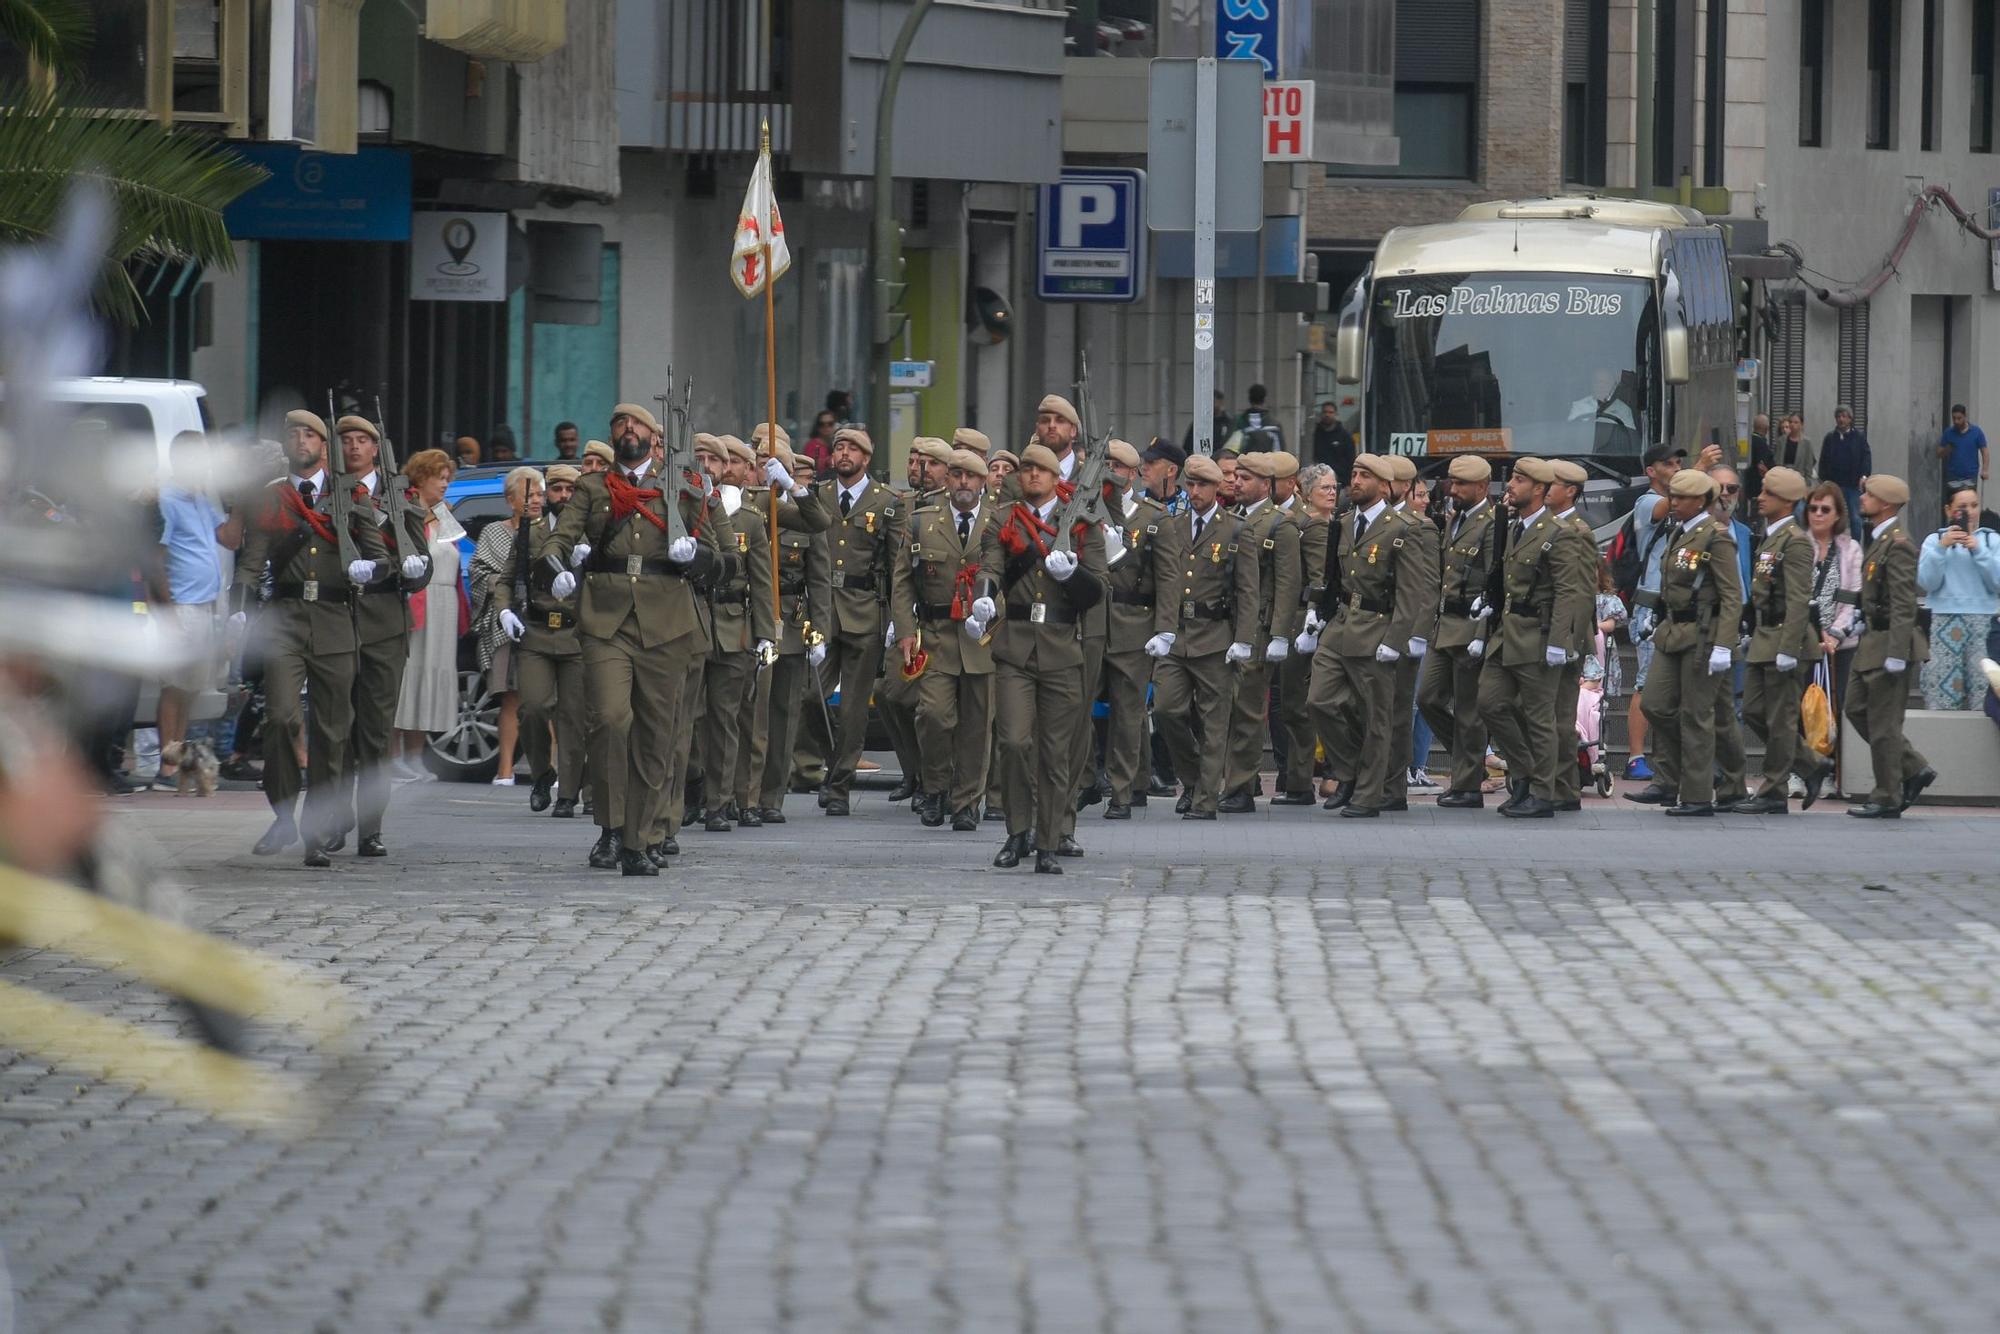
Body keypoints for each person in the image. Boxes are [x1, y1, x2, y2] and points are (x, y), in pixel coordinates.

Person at [546, 402, 721, 873]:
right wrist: (558, 567)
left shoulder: (685, 485)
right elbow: (558, 538)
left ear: (653, 436)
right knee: (609, 719)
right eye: (619, 422)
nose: (628, 429)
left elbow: (722, 559)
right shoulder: (594, 486)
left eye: (637, 423)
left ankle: (638, 841)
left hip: (667, 622)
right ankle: (609, 825)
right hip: (606, 618)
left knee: (656, 735)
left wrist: (696, 555)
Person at [233, 409, 391, 865]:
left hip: (336, 619)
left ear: (325, 446)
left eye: (309, 434)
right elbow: (252, 559)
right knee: (281, 717)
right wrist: (239, 611)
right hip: (284, 618)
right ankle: (283, 813)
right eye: (292, 434)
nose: (299, 440)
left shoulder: (351, 494)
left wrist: (369, 567)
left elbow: (378, 555)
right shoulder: (273, 497)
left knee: (331, 730)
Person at [975, 443, 1107, 872]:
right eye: (1027, 468)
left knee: (1056, 753)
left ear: (1056, 478)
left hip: (1061, 648)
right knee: (1013, 742)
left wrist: (1073, 576)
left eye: (1041, 469)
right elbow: (990, 566)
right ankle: (1017, 832)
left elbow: (1098, 589)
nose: (1032, 474)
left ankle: (1048, 842)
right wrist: (983, 599)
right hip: (1014, 645)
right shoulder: (1003, 519)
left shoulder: (1083, 523)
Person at [327, 414, 433, 857]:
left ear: (376, 448)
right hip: (335, 617)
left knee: (373, 730)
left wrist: (414, 572)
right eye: (345, 440)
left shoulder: (399, 495)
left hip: (386, 619)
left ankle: (371, 826)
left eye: (361, 440)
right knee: (335, 728)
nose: (353, 447)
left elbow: (421, 560)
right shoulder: (325, 493)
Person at [1306, 454, 1431, 818]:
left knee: (1378, 717)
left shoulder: (1401, 528)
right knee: (1319, 701)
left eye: (1364, 476)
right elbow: (1333, 578)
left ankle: (1369, 794)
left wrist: (1396, 641)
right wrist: (1317, 614)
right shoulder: (1343, 524)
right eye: (1354, 473)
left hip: (1377, 626)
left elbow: (1412, 592)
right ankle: (1348, 772)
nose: (1355, 480)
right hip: (1341, 624)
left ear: (1384, 485)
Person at [1144, 452, 1257, 821]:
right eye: (1190, 485)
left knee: (1214, 723)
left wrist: (1243, 638)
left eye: (1202, 485)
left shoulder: (1236, 529)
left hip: (1215, 636)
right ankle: (1192, 779)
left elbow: (1247, 591)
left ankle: (1206, 800)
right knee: (1166, 710)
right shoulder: (1171, 526)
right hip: (1175, 635)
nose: (1194, 491)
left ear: (1216, 488)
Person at [1476, 458, 1591, 819]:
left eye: (1519, 480)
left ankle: (1544, 792)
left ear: (1539, 489)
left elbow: (1569, 592)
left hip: (1538, 638)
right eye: (1512, 478)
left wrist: (1562, 642)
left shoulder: (1561, 532)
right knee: (1489, 702)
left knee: (1542, 719)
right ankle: (1525, 773)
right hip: (1506, 634)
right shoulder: (1515, 528)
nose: (1510, 485)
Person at [892, 448, 998, 830]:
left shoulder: (998, 520)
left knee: (976, 724)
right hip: (936, 636)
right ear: (948, 480)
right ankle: (935, 789)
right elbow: (902, 580)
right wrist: (904, 630)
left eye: (971, 476)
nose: (964, 483)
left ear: (983, 482)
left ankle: (967, 801)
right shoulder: (922, 522)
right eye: (956, 475)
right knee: (933, 716)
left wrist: (993, 610)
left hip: (983, 639)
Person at [1629, 469, 1743, 816]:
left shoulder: (1716, 537)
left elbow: (1731, 595)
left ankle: (1696, 795)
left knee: (1698, 716)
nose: (1673, 503)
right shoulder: (1679, 531)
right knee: (1656, 704)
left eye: (1681, 498)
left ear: (1701, 502)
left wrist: (1724, 644)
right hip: (1671, 630)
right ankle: (1689, 775)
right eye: (1672, 496)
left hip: (1704, 636)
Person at [806, 425, 905, 817]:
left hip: (865, 610)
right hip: (824, 609)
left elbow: (898, 565)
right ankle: (835, 762)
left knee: (852, 709)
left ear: (866, 458)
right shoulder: (819, 495)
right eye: (839, 447)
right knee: (809, 696)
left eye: (853, 449)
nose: (843, 453)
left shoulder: (887, 502)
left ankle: (840, 785)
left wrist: (899, 618)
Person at [1732, 466, 1832, 814]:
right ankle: (1811, 763)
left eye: (1768, 493)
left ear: (1788, 501)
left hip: (1785, 639)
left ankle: (1774, 790)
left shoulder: (1796, 541)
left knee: (1781, 718)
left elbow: (1798, 600)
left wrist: (1790, 648)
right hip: (1764, 637)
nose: (1759, 498)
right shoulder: (1772, 536)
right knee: (1756, 710)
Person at [492, 461, 588, 817]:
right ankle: (542, 773)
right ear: (547, 494)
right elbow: (505, 580)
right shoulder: (531, 533)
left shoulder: (592, 533)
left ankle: (569, 792)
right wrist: (505, 612)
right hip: (536, 631)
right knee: (532, 708)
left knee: (574, 717)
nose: (563, 496)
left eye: (570, 490)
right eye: (557, 489)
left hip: (577, 634)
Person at [695, 437, 777, 831]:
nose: (708, 465)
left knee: (725, 719)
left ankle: (719, 801)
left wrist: (766, 634)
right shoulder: (682, 507)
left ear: (727, 466)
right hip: (690, 619)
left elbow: (762, 582)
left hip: (732, 624)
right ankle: (687, 795)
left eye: (714, 459)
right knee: (687, 718)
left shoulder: (748, 518)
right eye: (700, 458)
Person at [1098, 439, 1183, 819]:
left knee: (1127, 711)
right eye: (1106, 465)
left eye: (1118, 466)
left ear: (1132, 474)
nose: (1110, 472)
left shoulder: (1153, 518)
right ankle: (1088, 780)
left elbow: (1168, 578)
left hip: (1134, 624)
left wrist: (1165, 628)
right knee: (1075, 705)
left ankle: (1122, 791)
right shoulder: (1085, 509)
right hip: (1091, 620)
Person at [1846, 474, 1936, 816]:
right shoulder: (1880, 538)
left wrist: (1898, 653)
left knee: (1884, 725)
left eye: (1868, 494)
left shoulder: (1897, 544)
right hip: (1873, 639)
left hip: (1889, 643)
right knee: (1855, 709)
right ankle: (1913, 766)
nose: (1862, 498)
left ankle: (1887, 795)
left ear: (1885, 504)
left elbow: (1903, 603)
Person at [1217, 449, 1302, 812]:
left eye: (1245, 478)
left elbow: (1288, 583)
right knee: (1227, 707)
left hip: (1261, 629)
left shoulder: (1279, 524)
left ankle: (1239, 787)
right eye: (1235, 477)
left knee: (1248, 709)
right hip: (1226, 625)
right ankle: (1241, 780)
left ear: (1265, 484)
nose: (1236, 483)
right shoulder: (1229, 519)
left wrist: (1281, 634)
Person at [153, 430, 234, 792]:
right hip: (181, 604)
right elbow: (158, 556)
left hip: (204, 605)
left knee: (189, 688)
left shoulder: (202, 498)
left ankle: (181, 759)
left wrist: (244, 502)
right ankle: (166, 767)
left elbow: (230, 538)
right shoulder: (168, 499)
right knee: (173, 685)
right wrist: (167, 607)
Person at [1416, 455, 1499, 808]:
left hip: (1469, 625)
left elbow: (1493, 581)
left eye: (1462, 484)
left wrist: (1483, 630)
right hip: (1444, 624)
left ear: (1482, 487)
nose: (1453, 489)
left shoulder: (1491, 523)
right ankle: (1473, 763)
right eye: (1452, 482)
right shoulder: (1455, 520)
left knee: (1469, 710)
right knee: (1427, 698)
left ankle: (1467, 785)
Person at [1372, 454, 1438, 811]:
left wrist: (1417, 634)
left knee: (1398, 713)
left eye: (1389, 481)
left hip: (1403, 631)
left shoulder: (1418, 526)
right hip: (1370, 628)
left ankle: (1393, 785)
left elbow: (1427, 586)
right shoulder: (1372, 522)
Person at [470, 467, 543, 794]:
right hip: (504, 624)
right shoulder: (492, 533)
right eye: (530, 495)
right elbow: (478, 571)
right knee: (511, 699)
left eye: (540, 494)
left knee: (546, 700)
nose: (536, 500)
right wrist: (504, 584)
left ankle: (550, 770)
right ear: (511, 500)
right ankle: (504, 769)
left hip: (542, 622)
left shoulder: (552, 531)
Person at [392, 449, 461, 778]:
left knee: (430, 677)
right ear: (421, 478)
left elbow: (454, 555)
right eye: (440, 478)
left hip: (444, 604)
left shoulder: (444, 514)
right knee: (408, 676)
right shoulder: (405, 511)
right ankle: (392, 756)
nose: (445, 484)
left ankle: (415, 756)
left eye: (448, 478)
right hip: (417, 601)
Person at [1276, 462, 1338, 804]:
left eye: (1333, 487)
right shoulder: (1310, 524)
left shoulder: (1317, 526)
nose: (1331, 493)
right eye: (1324, 488)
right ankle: (1304, 779)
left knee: (1301, 705)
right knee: (1295, 704)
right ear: (1306, 491)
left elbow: (1319, 580)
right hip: (1304, 619)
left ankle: (1303, 782)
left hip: (1311, 621)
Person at [1621, 444, 1684, 780]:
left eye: (1679, 463)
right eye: (1667, 464)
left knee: (1669, 688)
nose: (1675, 467)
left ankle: (1668, 759)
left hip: (1676, 604)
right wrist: (1697, 470)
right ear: (1650, 471)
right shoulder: (1645, 502)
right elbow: (1666, 505)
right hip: (1650, 605)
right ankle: (1634, 757)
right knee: (1645, 682)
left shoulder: (1687, 507)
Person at [1545, 459, 1601, 811]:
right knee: (1549, 714)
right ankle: (1559, 784)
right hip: (1549, 630)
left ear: (1571, 492)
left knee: (1561, 715)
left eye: (1554, 484)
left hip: (1565, 634)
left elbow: (1582, 591)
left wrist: (1568, 639)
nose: (1546, 488)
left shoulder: (1577, 530)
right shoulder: (1549, 526)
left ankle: (1565, 788)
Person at [1917, 485, 2000, 708]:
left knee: (1983, 689)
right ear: (1948, 510)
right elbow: (1926, 582)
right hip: (1942, 620)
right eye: (1962, 507)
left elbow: (1998, 582)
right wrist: (1942, 548)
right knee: (1941, 689)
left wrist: (1978, 550)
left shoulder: (1992, 541)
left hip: (1984, 621)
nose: (1970, 512)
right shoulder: (1934, 540)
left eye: (1974, 505)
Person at [1804, 482, 1864, 709]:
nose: (1818, 514)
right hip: (1803, 641)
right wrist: (1813, 634)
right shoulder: (1798, 543)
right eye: (1813, 508)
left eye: (1825, 509)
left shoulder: (1850, 549)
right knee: (1804, 710)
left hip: (1840, 644)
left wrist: (1833, 637)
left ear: (1838, 513)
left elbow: (1852, 597)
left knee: (1834, 710)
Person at [1819, 406, 1872, 540]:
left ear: (1850, 418)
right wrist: (1823, 479)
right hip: (1834, 484)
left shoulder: (1858, 437)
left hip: (1852, 485)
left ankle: (1855, 545)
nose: (1841, 419)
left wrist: (1864, 476)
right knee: (1832, 515)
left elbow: (1866, 457)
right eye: (1838, 416)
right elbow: (1823, 459)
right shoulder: (1830, 438)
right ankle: (1832, 544)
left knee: (1855, 517)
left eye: (1844, 416)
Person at [1938, 404, 1989, 496]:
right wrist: (1946, 450)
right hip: (1953, 477)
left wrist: (1985, 470)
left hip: (1970, 477)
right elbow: (1939, 454)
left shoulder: (1976, 432)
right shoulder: (1948, 433)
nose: (1956, 421)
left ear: (1965, 416)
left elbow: (1984, 451)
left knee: (1968, 505)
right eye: (1954, 418)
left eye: (1959, 418)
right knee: (1954, 505)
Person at [1309, 402, 1356, 481]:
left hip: (1340, 481)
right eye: (1325, 412)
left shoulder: (1344, 436)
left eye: (1330, 412)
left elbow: (1351, 461)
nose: (1327, 415)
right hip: (1319, 480)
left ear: (1336, 414)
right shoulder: (1315, 434)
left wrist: (1349, 482)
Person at [1234, 383, 1284, 453]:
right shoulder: (1274, 424)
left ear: (1249, 398)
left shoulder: (1238, 422)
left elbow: (1230, 448)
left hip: (1244, 462)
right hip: (1267, 463)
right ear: (1264, 399)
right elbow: (1280, 452)